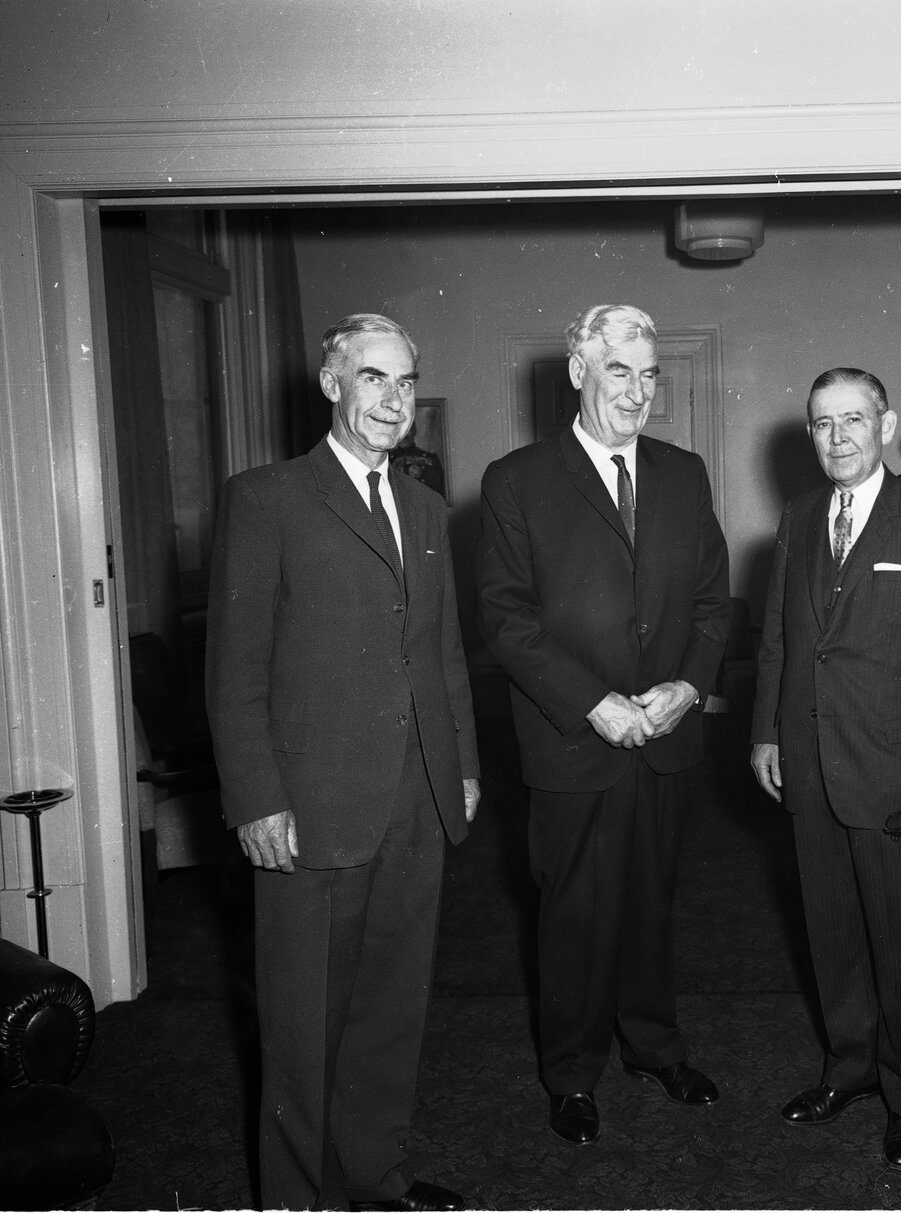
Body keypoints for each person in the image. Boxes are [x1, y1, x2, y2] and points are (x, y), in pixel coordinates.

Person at [207, 314, 480, 1212]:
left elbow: (442, 655)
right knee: (301, 1025)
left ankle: (376, 1176)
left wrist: (463, 768)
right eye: (373, 379)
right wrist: (255, 797)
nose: (392, 400)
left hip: (417, 797)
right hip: (310, 803)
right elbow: (235, 668)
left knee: (389, 1013)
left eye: (404, 383)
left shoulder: (430, 508)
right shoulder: (267, 497)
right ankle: (297, 1197)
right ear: (331, 385)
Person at [477, 303, 731, 1146]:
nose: (637, 390)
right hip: (572, 739)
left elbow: (709, 603)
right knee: (575, 911)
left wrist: (690, 687)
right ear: (580, 372)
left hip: (666, 737)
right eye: (619, 370)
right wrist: (595, 701)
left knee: (652, 903)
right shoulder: (515, 480)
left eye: (650, 373)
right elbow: (507, 620)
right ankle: (573, 1072)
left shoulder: (685, 473)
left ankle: (654, 1047)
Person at [750, 368, 901, 1170]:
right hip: (807, 761)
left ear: (885, 423)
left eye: (853, 420)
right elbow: (778, 635)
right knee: (831, 930)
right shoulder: (800, 516)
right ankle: (850, 1067)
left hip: (895, 768)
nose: (836, 437)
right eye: (821, 423)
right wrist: (767, 732)